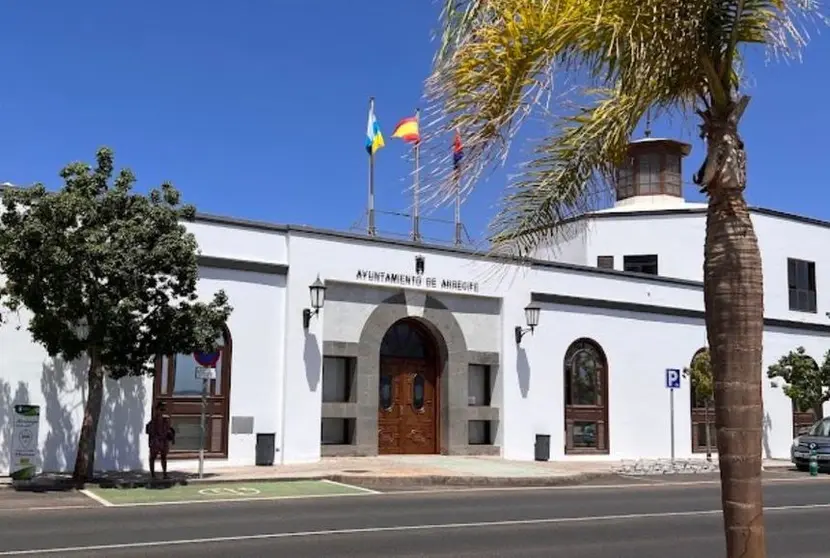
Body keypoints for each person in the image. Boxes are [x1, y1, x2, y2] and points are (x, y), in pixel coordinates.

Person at [145, 401, 175, 480]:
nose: (162, 411)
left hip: (164, 441)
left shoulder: (166, 420)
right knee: (152, 457)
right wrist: (153, 440)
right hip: (156, 441)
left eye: (164, 409)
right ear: (157, 410)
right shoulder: (153, 421)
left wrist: (171, 436)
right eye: (161, 409)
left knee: (164, 457)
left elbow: (169, 429)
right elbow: (149, 431)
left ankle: (165, 474)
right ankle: (153, 475)